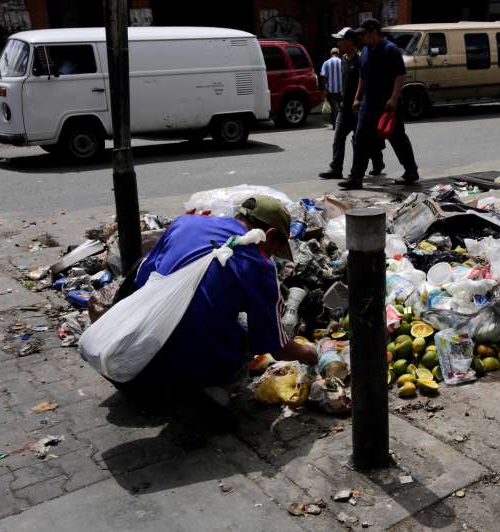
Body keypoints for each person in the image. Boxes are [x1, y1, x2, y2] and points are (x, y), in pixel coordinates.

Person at [116, 196, 318, 396]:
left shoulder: (184, 223)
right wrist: (310, 354)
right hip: (183, 368)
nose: (272, 256)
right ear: (270, 234)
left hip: (132, 353)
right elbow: (276, 347)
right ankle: (210, 391)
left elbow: (142, 278)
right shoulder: (260, 265)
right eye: (275, 249)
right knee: (243, 334)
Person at [340, 18, 419, 191]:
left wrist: (394, 98)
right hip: (368, 104)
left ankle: (411, 171)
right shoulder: (365, 52)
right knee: (360, 139)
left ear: (374, 33)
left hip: (387, 106)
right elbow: (362, 77)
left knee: (397, 139)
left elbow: (400, 75)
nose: (362, 38)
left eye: (364, 34)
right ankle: (356, 177)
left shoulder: (390, 50)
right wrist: (357, 98)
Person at [318, 27, 385, 180]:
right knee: (338, 138)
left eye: (340, 40)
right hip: (344, 107)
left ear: (349, 41)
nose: (338, 44)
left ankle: (374, 163)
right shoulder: (343, 59)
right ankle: (336, 168)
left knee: (360, 141)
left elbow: (367, 82)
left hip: (358, 108)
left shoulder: (361, 59)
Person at [319, 48, 343, 128]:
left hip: (330, 90)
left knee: (333, 108)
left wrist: (324, 90)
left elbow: (324, 78)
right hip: (341, 90)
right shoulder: (342, 62)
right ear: (338, 53)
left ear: (331, 54)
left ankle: (334, 124)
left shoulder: (326, 63)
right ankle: (340, 124)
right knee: (340, 107)